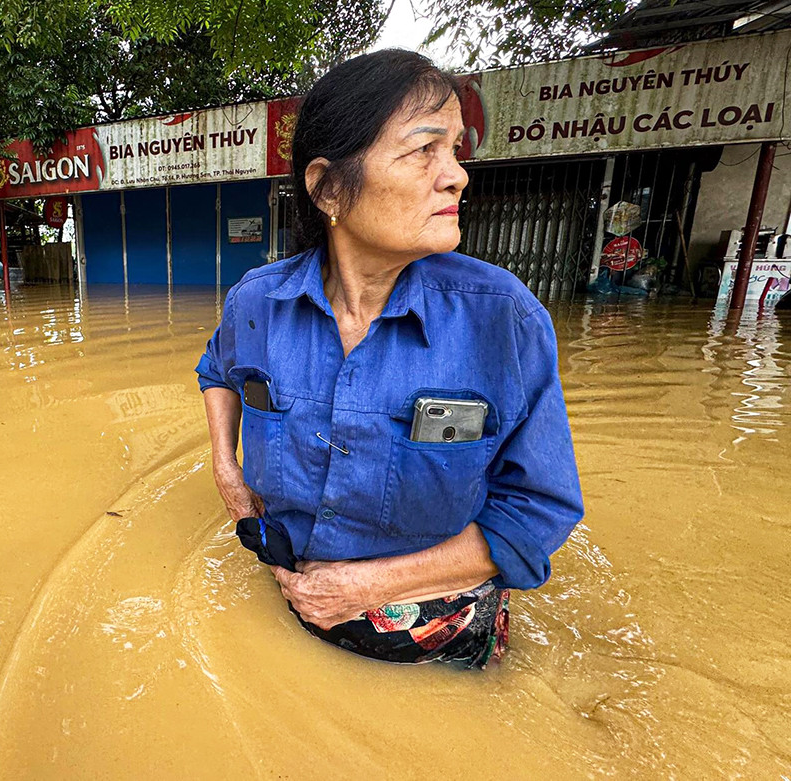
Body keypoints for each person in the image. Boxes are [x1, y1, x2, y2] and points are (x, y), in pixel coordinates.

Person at [195, 49, 584, 669]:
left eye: (456, 150)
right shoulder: (257, 303)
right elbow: (217, 369)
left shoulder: (502, 318)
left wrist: (366, 588)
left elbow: (540, 509)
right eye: (423, 149)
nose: (455, 175)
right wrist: (227, 474)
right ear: (326, 187)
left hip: (443, 646)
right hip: (288, 609)